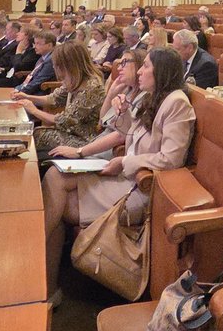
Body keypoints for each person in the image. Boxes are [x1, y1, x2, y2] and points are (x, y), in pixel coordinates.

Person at [41, 47, 195, 302]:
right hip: (125, 175)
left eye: (146, 66)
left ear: (162, 71)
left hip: (140, 186)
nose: (141, 71)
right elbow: (128, 132)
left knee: (59, 204)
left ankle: (40, 273)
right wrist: (121, 111)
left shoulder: (176, 103)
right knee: (55, 176)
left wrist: (124, 160)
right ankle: (46, 284)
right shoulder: (151, 96)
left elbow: (171, 159)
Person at [17, 42, 108, 153]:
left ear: (68, 65)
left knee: (34, 137)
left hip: (84, 139)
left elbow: (65, 120)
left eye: (56, 64)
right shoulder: (74, 79)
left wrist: (34, 111)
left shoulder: (92, 87)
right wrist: (28, 97)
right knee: (31, 134)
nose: (54, 67)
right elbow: (53, 99)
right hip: (70, 132)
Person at [12, 28, 58, 96]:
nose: (35, 47)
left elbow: (38, 81)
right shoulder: (42, 58)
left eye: (38, 44)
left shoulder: (51, 60)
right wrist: (17, 89)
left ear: (49, 45)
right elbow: (32, 77)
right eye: (35, 43)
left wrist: (20, 91)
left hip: (41, 94)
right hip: (31, 91)